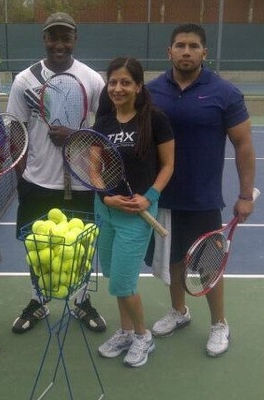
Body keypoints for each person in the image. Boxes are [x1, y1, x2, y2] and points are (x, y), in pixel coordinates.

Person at [145, 23, 256, 357]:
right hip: (162, 195)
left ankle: (219, 323)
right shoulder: (152, 91)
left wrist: (246, 195)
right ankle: (179, 312)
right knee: (174, 260)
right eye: (180, 45)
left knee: (209, 265)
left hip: (203, 198)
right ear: (170, 51)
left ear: (204, 52)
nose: (187, 51)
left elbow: (244, 145)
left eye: (194, 46)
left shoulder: (224, 92)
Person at [6, 12, 107, 333]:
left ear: (75, 39)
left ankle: (80, 301)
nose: (59, 44)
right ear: (44, 40)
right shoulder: (25, 80)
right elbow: (15, 133)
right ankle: (38, 300)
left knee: (81, 251)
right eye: (53, 37)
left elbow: (105, 132)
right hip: (38, 185)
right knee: (38, 251)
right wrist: (23, 177)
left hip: (82, 185)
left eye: (66, 37)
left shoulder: (92, 80)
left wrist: (75, 138)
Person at [94, 57, 174, 367]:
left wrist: (150, 196)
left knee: (123, 284)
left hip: (139, 214)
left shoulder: (156, 120)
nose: (118, 88)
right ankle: (126, 331)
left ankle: (143, 336)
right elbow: (94, 167)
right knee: (115, 275)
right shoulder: (103, 124)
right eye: (113, 82)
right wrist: (105, 197)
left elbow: (167, 165)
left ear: (139, 86)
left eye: (126, 82)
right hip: (109, 212)